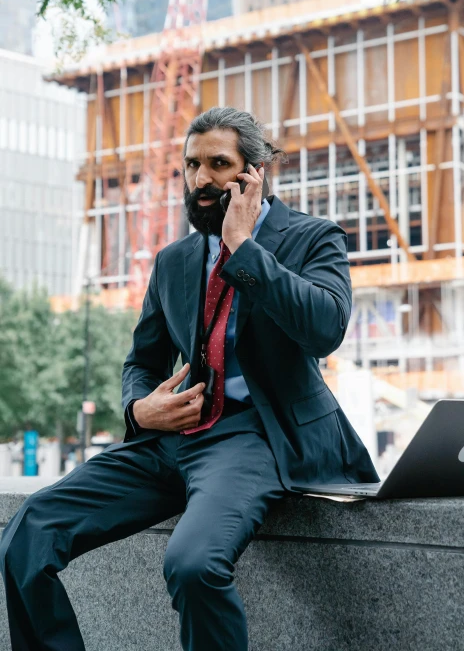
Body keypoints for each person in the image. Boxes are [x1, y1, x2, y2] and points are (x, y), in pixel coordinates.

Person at [0, 106, 379, 651]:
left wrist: (244, 249)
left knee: (193, 563)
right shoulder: (173, 260)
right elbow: (141, 362)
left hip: (255, 438)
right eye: (191, 165)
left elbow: (325, 329)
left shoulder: (313, 238)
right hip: (172, 438)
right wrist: (138, 410)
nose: (201, 180)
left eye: (218, 164)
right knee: (27, 534)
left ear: (255, 172)